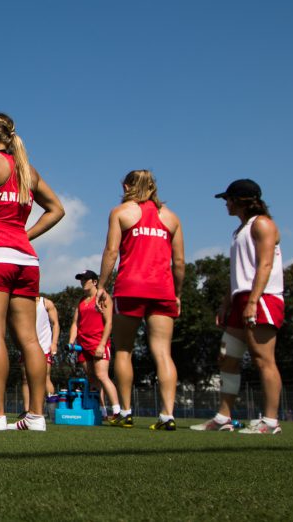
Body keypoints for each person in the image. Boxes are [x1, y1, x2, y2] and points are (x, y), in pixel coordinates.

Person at [0, 113, 65, 432]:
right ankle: (35, 416)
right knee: (30, 339)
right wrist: (23, 234)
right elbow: (57, 209)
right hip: (26, 259)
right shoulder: (26, 170)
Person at [191, 179, 285, 435]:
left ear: (239, 200)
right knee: (227, 358)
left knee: (263, 359)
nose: (226, 204)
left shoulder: (263, 224)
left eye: (228, 200)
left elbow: (264, 265)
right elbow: (238, 272)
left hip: (263, 298)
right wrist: (226, 304)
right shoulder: (239, 230)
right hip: (240, 299)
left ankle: (270, 421)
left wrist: (254, 301)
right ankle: (223, 417)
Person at [96, 170, 184, 430]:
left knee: (124, 350)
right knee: (163, 353)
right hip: (163, 290)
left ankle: (125, 412)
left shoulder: (121, 212)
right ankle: (167, 415)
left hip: (130, 288)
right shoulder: (171, 218)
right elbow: (179, 262)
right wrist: (178, 294)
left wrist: (101, 286)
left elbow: (111, 252)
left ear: (126, 186)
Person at [68, 270, 121, 422]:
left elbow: (109, 323)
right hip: (83, 345)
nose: (82, 282)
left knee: (102, 376)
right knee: (92, 378)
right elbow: (75, 323)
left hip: (99, 343)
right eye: (81, 279)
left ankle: (118, 412)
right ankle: (102, 412)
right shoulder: (81, 301)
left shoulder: (103, 298)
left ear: (95, 282)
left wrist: (102, 344)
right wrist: (71, 341)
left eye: (86, 279)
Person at [20, 294, 59, 416]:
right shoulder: (22, 303)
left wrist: (54, 343)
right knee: (26, 378)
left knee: (45, 377)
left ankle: (51, 410)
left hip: (44, 347)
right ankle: (26, 410)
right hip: (27, 347)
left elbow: (56, 324)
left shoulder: (46, 303)